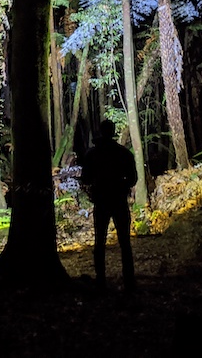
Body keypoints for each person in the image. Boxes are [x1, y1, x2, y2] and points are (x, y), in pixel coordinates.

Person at [80, 120, 137, 291]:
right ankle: (129, 280)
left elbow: (86, 178)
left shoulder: (92, 154)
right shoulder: (123, 153)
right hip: (119, 200)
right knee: (124, 242)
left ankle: (101, 280)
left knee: (100, 241)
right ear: (113, 132)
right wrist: (122, 185)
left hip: (102, 200)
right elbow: (133, 178)